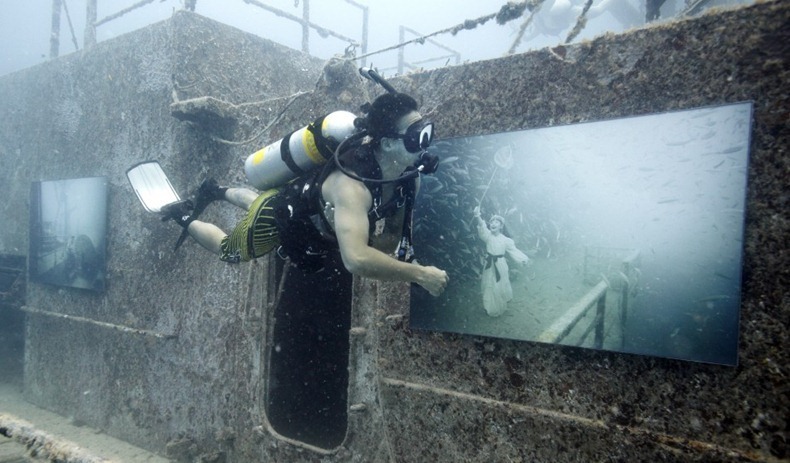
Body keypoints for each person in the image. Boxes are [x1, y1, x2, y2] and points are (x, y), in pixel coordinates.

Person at [161, 92, 449, 297]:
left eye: (426, 131)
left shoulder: (408, 179)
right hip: (279, 216)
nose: (426, 142)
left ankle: (217, 190)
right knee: (230, 250)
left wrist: (355, 236)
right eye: (416, 136)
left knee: (257, 201)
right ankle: (183, 216)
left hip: (301, 204)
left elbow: (389, 240)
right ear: (386, 144)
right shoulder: (350, 188)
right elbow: (356, 259)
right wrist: (419, 274)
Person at [473, 206, 529, 316]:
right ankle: (490, 306)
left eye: (496, 222)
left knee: (499, 284)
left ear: (501, 226)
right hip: (489, 264)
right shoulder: (488, 236)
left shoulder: (506, 240)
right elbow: (482, 226)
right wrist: (477, 215)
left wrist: (523, 259)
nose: (493, 224)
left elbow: (514, 251)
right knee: (489, 284)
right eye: (491, 222)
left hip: (500, 264)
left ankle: (498, 305)